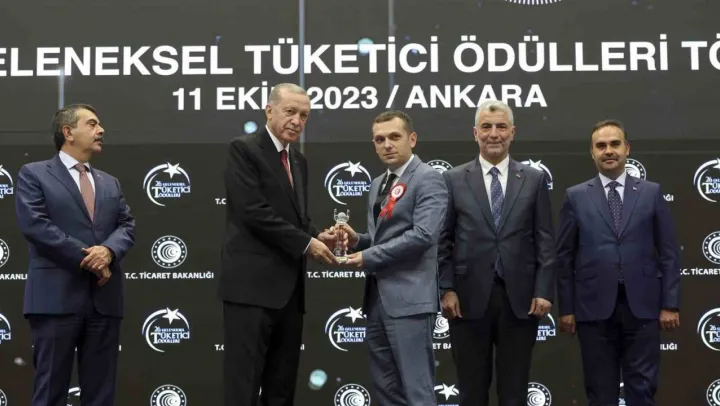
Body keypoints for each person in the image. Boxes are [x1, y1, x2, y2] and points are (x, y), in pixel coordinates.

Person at [219, 83, 340, 406]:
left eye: (304, 115)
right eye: (290, 112)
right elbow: (253, 212)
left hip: (290, 291)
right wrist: (307, 244)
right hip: (251, 290)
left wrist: (317, 236)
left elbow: (295, 218)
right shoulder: (244, 149)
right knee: (244, 387)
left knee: (282, 388)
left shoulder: (298, 160)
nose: (297, 121)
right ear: (269, 110)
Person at [437, 100, 557, 406]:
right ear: (475, 133)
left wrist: (544, 290)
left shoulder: (534, 179)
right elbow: (443, 241)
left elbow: (545, 240)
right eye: (487, 127)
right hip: (466, 301)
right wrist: (446, 288)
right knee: (471, 392)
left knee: (514, 392)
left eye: (501, 127)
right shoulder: (453, 179)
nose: (494, 134)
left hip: (521, 301)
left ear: (512, 133)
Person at [15, 104, 136, 406]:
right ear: (68, 132)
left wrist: (108, 251)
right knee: (50, 392)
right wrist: (90, 259)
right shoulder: (34, 174)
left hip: (104, 302)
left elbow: (126, 225)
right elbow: (36, 225)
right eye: (92, 124)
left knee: (101, 394)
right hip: (55, 300)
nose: (101, 130)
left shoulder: (110, 182)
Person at [556, 119, 680, 406]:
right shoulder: (575, 196)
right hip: (593, 309)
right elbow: (564, 257)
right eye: (601, 146)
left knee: (642, 391)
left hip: (643, 307)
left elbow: (669, 252)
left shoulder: (651, 192)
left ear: (627, 149)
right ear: (592, 153)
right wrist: (567, 308)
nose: (608, 151)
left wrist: (670, 304)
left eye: (615, 144)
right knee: (600, 393)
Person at [338, 110, 448, 406]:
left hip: (410, 302)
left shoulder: (428, 178)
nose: (387, 144)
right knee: (385, 391)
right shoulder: (377, 183)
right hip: (376, 300)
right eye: (379, 139)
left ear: (412, 139)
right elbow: (381, 239)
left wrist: (367, 256)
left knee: (417, 391)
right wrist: (356, 240)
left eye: (394, 137)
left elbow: (423, 235)